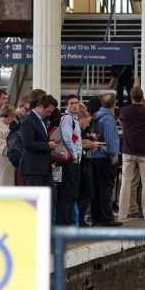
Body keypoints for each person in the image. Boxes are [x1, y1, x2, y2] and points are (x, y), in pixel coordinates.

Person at [117, 87, 145, 221]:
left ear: (131, 97)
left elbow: (123, 126)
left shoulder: (124, 110)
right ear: (142, 96)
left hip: (128, 151)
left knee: (125, 183)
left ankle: (122, 214)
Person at [90, 94, 122, 227]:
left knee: (96, 189)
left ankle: (96, 217)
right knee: (106, 189)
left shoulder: (95, 116)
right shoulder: (108, 119)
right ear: (114, 104)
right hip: (105, 158)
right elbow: (110, 139)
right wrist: (113, 154)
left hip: (94, 157)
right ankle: (107, 218)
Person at [20, 95, 59, 187]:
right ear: (41, 106)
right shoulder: (29, 120)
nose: (49, 114)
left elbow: (39, 139)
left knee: (50, 195)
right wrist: (47, 145)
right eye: (48, 111)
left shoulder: (40, 119)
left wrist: (51, 142)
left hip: (43, 168)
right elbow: (28, 144)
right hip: (33, 167)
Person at [56, 95, 83, 225]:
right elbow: (67, 138)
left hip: (74, 159)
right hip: (70, 161)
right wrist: (75, 156)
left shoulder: (74, 119)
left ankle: (68, 221)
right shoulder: (67, 118)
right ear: (66, 106)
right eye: (71, 103)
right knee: (67, 192)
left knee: (71, 192)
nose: (74, 105)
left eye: (76, 103)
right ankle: (64, 222)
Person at [0, 104, 17, 186]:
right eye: (12, 116)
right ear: (5, 115)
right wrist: (15, 146)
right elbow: (3, 150)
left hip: (8, 164)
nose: (13, 119)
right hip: (2, 164)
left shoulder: (6, 128)